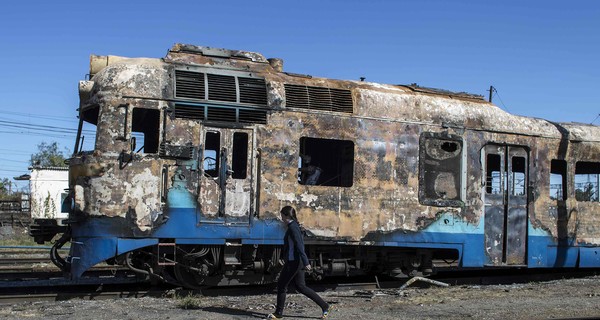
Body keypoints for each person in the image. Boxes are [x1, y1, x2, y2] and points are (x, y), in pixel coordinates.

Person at [266, 206, 333, 319]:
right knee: (301, 287)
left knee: (282, 286)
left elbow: (299, 245)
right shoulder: (293, 226)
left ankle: (278, 314)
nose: (281, 218)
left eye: (282, 216)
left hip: (294, 262)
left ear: (287, 216)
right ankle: (325, 306)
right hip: (295, 261)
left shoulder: (293, 228)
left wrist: (306, 261)